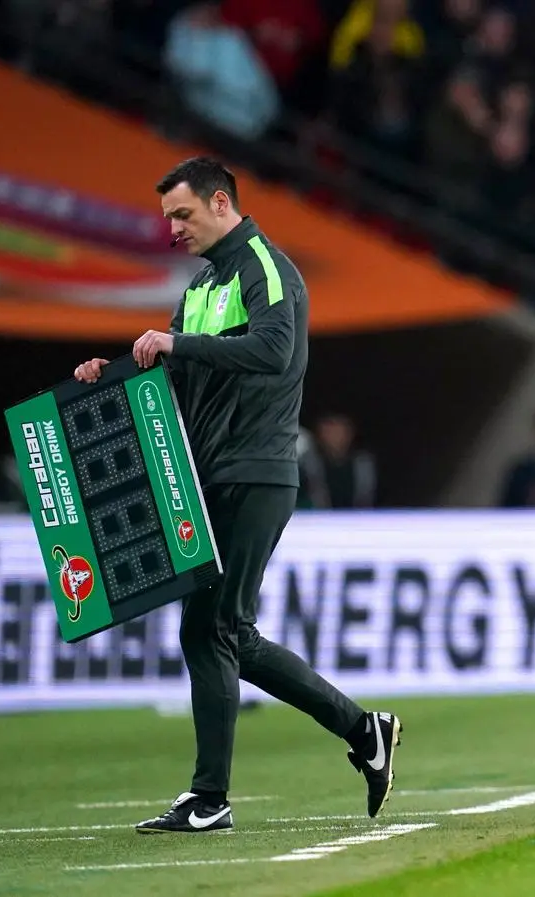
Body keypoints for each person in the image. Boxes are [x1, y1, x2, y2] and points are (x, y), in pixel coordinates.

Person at [73, 157, 400, 833]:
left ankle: (210, 795)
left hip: (256, 469)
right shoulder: (199, 286)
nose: (172, 229)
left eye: (182, 214)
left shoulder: (266, 267)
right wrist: (110, 379)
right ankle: (362, 727)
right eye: (168, 217)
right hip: (206, 475)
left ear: (222, 203)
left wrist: (178, 342)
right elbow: (177, 373)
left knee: (211, 628)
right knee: (225, 632)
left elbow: (274, 350)